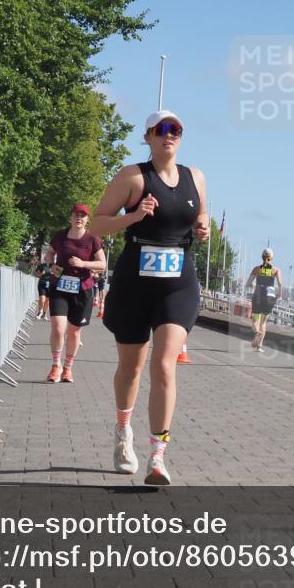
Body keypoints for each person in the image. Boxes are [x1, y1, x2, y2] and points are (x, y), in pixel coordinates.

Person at [90, 110, 208, 485]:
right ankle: (123, 431)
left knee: (164, 365)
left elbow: (200, 216)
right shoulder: (133, 176)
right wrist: (134, 216)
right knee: (132, 368)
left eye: (176, 130)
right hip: (134, 282)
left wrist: (203, 230)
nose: (168, 136)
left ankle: (158, 456)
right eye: (161, 130)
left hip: (178, 280)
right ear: (148, 137)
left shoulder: (196, 177)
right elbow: (97, 223)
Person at [44, 204, 106, 382]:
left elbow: (102, 264)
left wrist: (84, 264)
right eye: (76, 215)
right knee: (57, 327)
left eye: (83, 215)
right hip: (59, 286)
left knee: (74, 332)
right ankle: (56, 365)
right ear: (70, 217)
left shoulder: (92, 238)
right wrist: (51, 265)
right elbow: (49, 253)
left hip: (82, 289)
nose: (79, 218)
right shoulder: (61, 236)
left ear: (87, 219)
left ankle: (68, 368)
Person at [245, 248, 283, 352]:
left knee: (255, 320)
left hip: (258, 293)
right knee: (264, 322)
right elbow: (280, 284)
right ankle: (259, 346)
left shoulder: (256, 269)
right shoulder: (276, 270)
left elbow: (248, 284)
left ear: (262, 257)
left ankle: (257, 332)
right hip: (269, 295)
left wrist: (254, 285)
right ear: (272, 258)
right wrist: (279, 294)